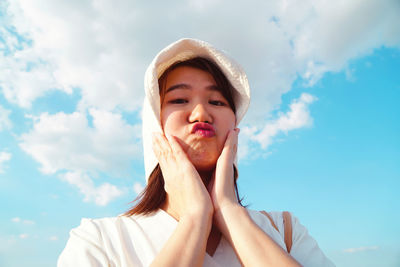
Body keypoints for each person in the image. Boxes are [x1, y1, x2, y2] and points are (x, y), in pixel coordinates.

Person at [58, 38, 335, 267]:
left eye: (217, 101)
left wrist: (229, 211)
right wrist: (195, 217)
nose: (201, 113)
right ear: (153, 126)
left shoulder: (284, 230)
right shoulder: (100, 239)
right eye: (179, 100)